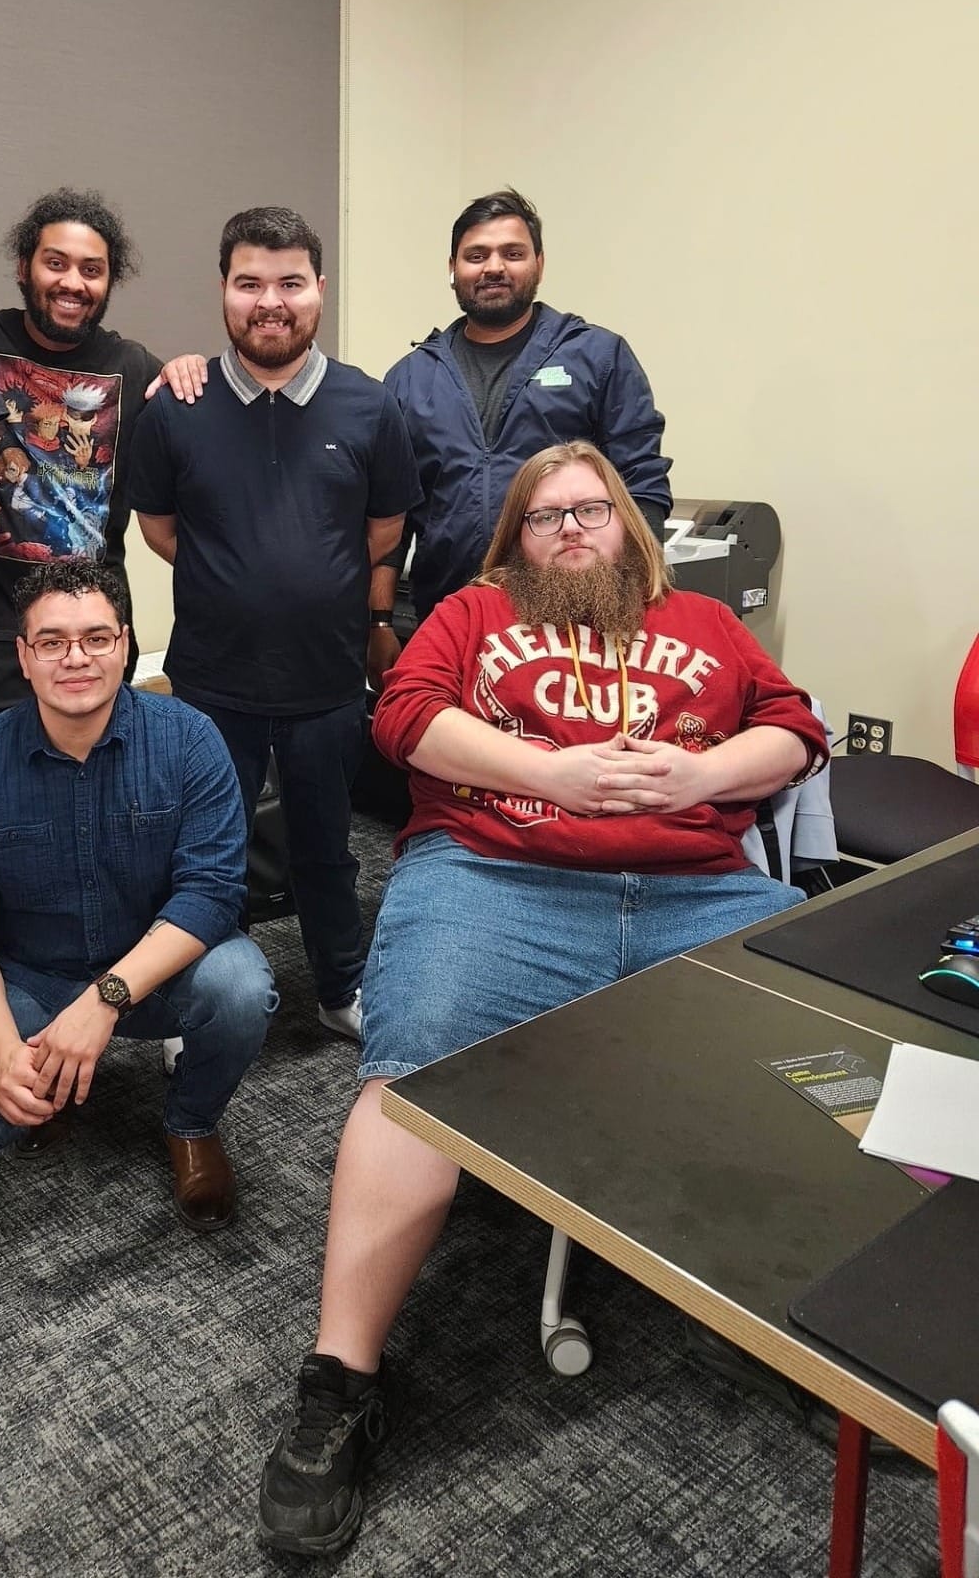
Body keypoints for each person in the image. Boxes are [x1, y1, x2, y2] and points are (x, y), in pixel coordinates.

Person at [256, 440, 828, 1555]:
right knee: (412, 1075)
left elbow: (795, 732)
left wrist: (707, 774)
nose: (572, 529)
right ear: (514, 538)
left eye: (592, 510)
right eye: (545, 515)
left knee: (824, 1057)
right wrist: (554, 775)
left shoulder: (704, 625)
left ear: (628, 525)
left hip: (694, 888)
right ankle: (340, 1384)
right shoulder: (474, 614)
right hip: (495, 877)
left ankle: (825, 1334)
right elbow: (404, 716)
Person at [0, 560, 276, 1229]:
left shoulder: (190, 740)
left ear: (125, 644)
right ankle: (42, 1091)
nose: (75, 658)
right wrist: (1, 1056)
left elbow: (212, 893)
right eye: (52, 641)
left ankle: (190, 1122)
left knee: (242, 985)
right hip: (30, 981)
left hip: (156, 971)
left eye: (96, 638)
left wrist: (104, 999)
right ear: (23, 656)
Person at [130, 206, 422, 1041]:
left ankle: (340, 988)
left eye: (289, 282)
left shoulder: (369, 406)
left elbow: (381, 531)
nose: (270, 301)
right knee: (204, 849)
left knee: (326, 849)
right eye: (249, 282)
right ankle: (199, 1000)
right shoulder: (176, 407)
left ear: (318, 290)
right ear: (223, 290)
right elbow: (160, 528)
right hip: (213, 680)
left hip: (324, 681)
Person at [368, 188, 672, 688]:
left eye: (512, 253)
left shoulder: (598, 357)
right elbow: (390, 520)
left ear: (539, 264)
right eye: (476, 255)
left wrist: (641, 602)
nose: (494, 267)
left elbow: (641, 486)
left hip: (576, 623)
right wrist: (379, 623)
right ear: (452, 268)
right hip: (452, 621)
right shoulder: (410, 378)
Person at [0, 188, 203, 727]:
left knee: (90, 795)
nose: (73, 283)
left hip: (93, 637)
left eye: (92, 270)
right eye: (56, 263)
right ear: (25, 266)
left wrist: (190, 367)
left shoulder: (135, 369)